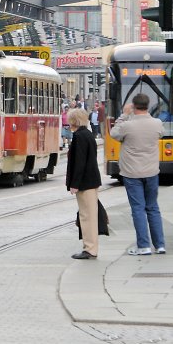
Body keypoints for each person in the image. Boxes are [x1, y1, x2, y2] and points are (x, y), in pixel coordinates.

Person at [111, 93, 166, 256]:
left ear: (134, 106)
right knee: (153, 208)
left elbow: (114, 133)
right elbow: (161, 133)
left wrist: (124, 114)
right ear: (148, 106)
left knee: (138, 209)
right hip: (151, 171)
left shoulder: (127, 125)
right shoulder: (157, 123)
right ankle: (160, 245)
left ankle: (144, 246)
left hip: (131, 173)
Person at [66, 107, 102, 260]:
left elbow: (80, 162)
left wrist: (75, 183)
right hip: (91, 181)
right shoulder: (87, 134)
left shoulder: (79, 137)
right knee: (89, 215)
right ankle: (90, 247)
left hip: (85, 183)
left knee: (87, 216)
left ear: (74, 121)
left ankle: (90, 249)